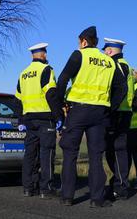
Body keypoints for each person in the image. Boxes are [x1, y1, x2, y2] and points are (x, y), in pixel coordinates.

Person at [55, 26, 128, 208]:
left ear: (84, 41)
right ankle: (97, 199)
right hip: (100, 114)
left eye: (79, 42)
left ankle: (67, 196)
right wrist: (110, 108)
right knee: (96, 155)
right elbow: (122, 89)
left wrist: (60, 105)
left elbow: (62, 79)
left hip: (78, 111)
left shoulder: (79, 55)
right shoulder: (109, 62)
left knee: (70, 152)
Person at [14, 43, 64, 199]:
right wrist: (59, 117)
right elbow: (51, 95)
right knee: (46, 153)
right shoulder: (46, 70)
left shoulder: (23, 74)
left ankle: (28, 188)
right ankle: (46, 188)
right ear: (44, 55)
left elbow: (17, 100)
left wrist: (21, 119)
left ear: (32, 55)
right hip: (45, 119)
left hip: (29, 120)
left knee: (30, 154)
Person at [103, 38, 134, 200]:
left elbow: (118, 89)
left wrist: (109, 109)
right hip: (124, 111)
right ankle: (119, 183)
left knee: (115, 149)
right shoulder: (126, 64)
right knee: (116, 149)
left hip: (117, 111)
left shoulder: (117, 65)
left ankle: (120, 186)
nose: (104, 54)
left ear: (109, 51)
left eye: (105, 51)